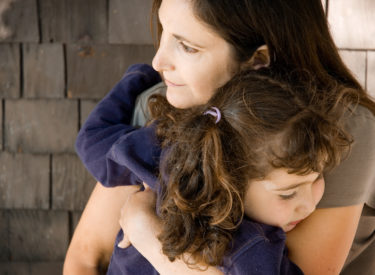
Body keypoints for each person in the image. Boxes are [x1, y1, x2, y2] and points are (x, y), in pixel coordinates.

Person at [63, 0, 375, 274]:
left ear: (257, 61)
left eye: (188, 47)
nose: (158, 62)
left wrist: (145, 228)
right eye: (164, 30)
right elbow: (87, 257)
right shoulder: (165, 105)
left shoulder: (333, 131)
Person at [76, 63, 354, 275]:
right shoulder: (251, 249)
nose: (308, 205)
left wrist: (137, 78)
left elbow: (91, 142)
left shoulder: (160, 153)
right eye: (287, 193)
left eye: (317, 177)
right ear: (229, 179)